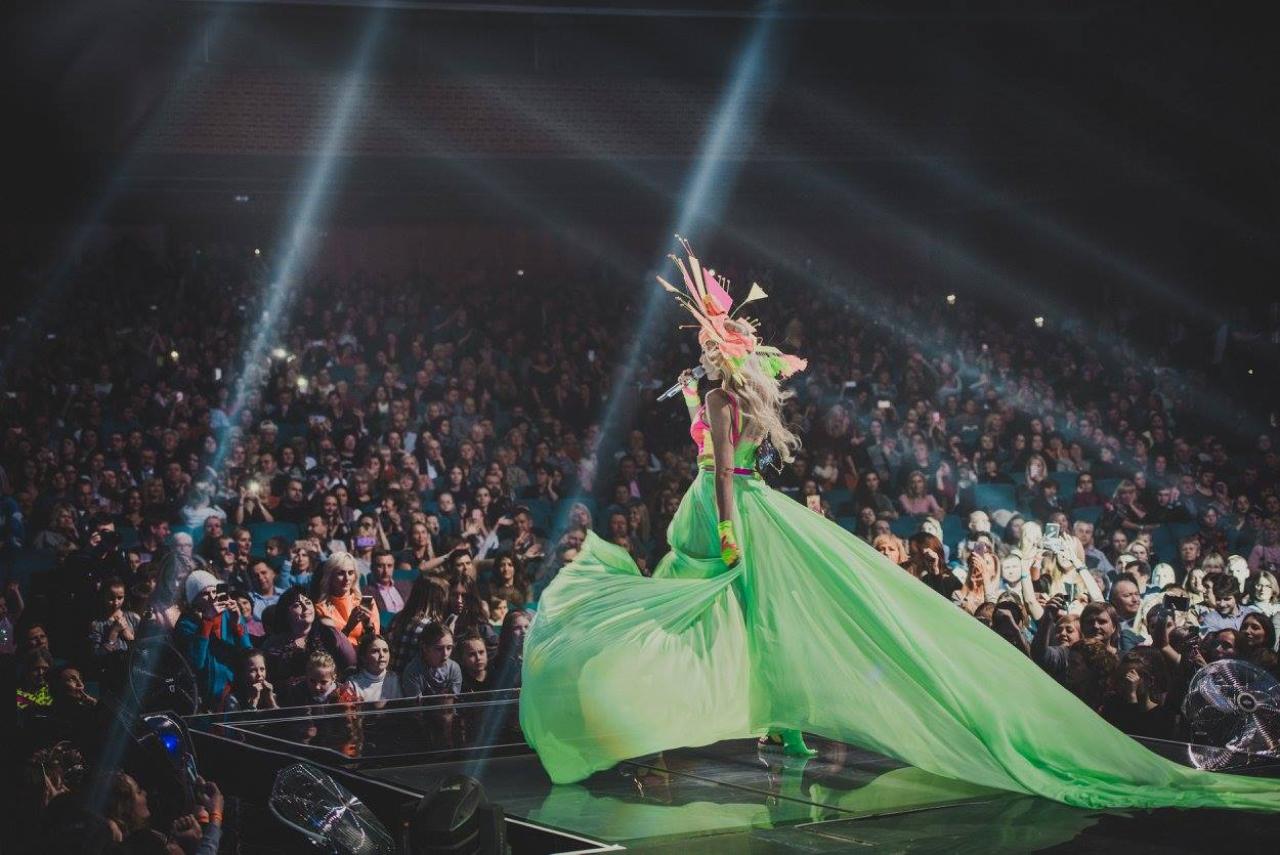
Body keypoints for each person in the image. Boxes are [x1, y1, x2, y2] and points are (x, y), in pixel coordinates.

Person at [519, 242, 1280, 810]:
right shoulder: (736, 390)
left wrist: (723, 524)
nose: (700, 348)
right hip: (755, 502)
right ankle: (783, 720)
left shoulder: (720, 397)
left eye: (704, 342)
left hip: (725, 508)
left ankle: (713, 717)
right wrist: (724, 380)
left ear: (718, 350)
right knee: (756, 613)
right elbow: (768, 412)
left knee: (694, 612)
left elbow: (719, 470)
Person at [401, 623, 462, 697]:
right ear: (425, 648)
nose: (445, 654)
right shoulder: (413, 672)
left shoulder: (453, 668)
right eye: (439, 649)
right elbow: (416, 703)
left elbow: (453, 700)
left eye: (449, 648)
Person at [346, 634, 402, 702]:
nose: (382, 655)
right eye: (375, 651)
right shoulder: (352, 684)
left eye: (385, 650)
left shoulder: (395, 679)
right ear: (363, 657)